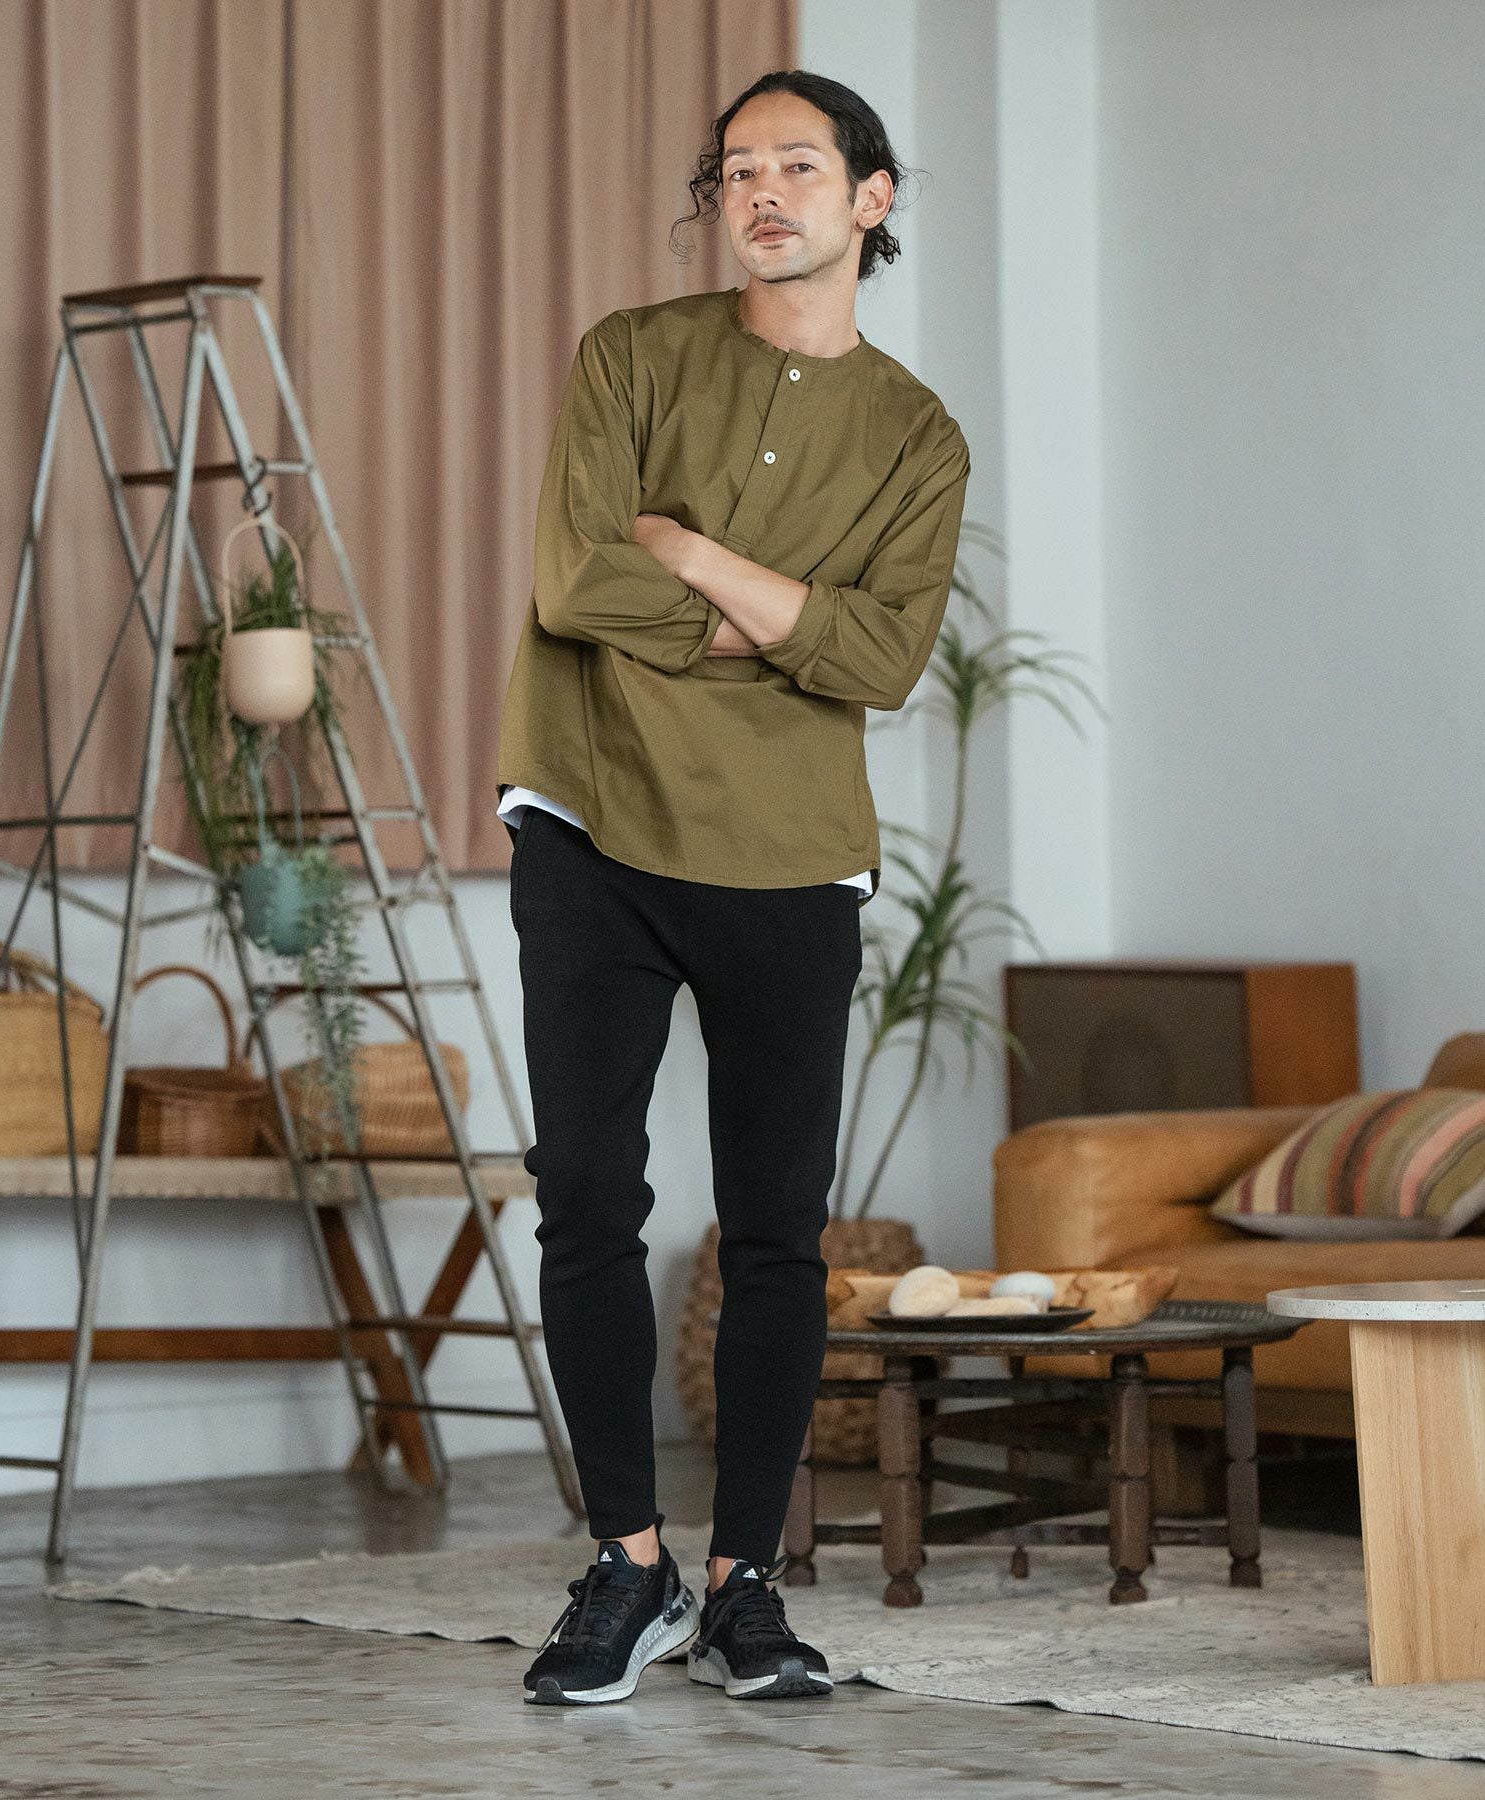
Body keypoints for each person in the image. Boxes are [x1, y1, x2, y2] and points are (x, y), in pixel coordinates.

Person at [496, 68, 971, 1706]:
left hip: (787, 850)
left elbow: (882, 657)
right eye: (737, 168)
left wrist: (693, 554)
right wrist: (785, 620)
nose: (760, 191)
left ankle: (743, 1584)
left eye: (798, 166)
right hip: (589, 818)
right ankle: (626, 1567)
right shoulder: (630, 355)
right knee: (588, 1198)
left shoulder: (917, 436)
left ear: (871, 199)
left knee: (777, 1230)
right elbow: (574, 581)